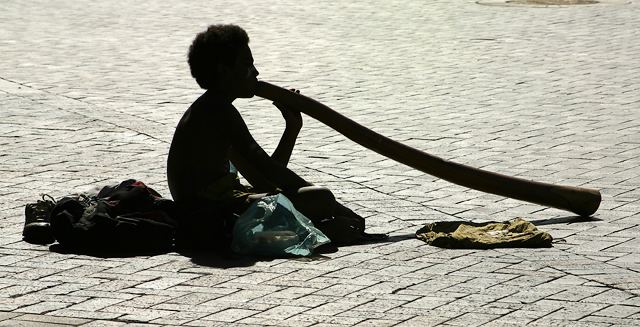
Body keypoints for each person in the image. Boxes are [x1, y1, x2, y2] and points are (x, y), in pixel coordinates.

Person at [167, 24, 384, 244]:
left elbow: (263, 180)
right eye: (248, 65)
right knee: (321, 198)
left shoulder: (213, 107)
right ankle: (323, 232)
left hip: (216, 205)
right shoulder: (219, 111)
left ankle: (320, 228)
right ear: (224, 70)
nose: (256, 73)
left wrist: (292, 128)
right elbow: (270, 172)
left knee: (314, 198)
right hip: (211, 212)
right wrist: (336, 207)